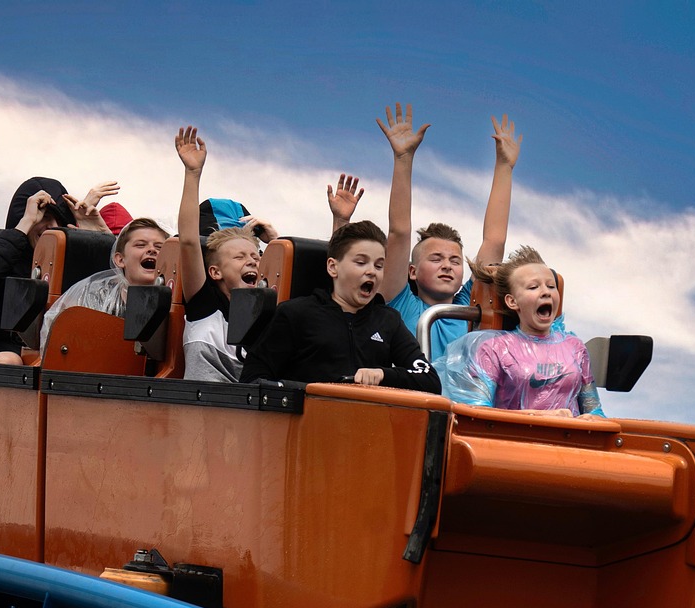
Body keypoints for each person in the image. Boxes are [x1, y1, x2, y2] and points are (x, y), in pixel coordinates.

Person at [372, 104, 526, 361]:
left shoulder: (470, 306)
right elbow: (399, 232)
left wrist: (504, 166)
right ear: (412, 271)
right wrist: (403, 159)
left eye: (455, 261)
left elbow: (494, 240)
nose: (447, 266)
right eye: (436, 259)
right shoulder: (401, 303)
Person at [239, 220, 440, 393]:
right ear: (333, 267)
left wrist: (381, 375)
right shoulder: (295, 314)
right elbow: (253, 379)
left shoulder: (389, 320)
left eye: (379, 266)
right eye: (361, 263)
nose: (372, 272)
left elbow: (429, 380)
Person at [0, 176, 118, 363]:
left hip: (60, 354)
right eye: (43, 217)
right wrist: (26, 223)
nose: (51, 226)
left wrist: (98, 237)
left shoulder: (72, 260)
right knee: (8, 360)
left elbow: (115, 286)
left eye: (58, 219)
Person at [438, 246, 603, 417]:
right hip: (512, 441)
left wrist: (593, 419)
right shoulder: (493, 349)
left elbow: (595, 410)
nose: (546, 292)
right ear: (512, 301)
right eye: (533, 287)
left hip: (568, 441)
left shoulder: (575, 347)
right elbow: (476, 415)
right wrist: (540, 417)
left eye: (551, 286)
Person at [174, 125, 279, 382]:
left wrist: (276, 242)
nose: (252, 261)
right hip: (203, 410)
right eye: (240, 257)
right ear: (215, 271)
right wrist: (192, 173)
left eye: (255, 257)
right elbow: (188, 242)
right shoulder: (205, 305)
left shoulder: (270, 315)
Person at [38, 216, 169, 353]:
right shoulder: (94, 293)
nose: (152, 250)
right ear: (120, 259)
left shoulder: (176, 303)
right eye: (140, 245)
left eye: (159, 247)